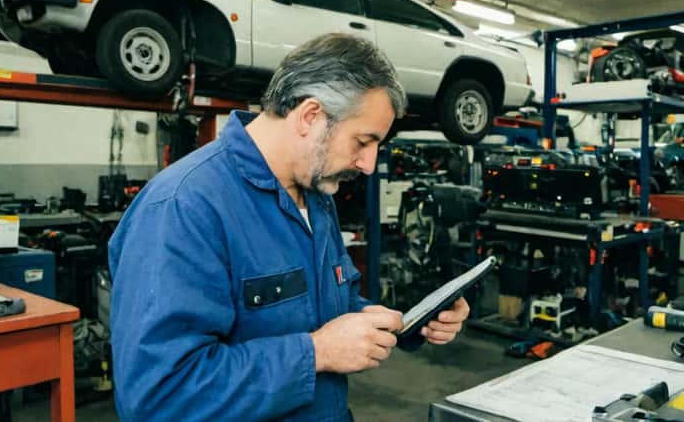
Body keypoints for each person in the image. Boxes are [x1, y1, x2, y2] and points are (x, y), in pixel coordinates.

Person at [108, 33, 471, 422]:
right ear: (310, 116)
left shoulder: (316, 198)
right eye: (362, 141)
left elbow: (333, 306)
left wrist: (407, 322)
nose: (367, 164)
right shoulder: (184, 207)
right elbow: (158, 397)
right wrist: (316, 353)